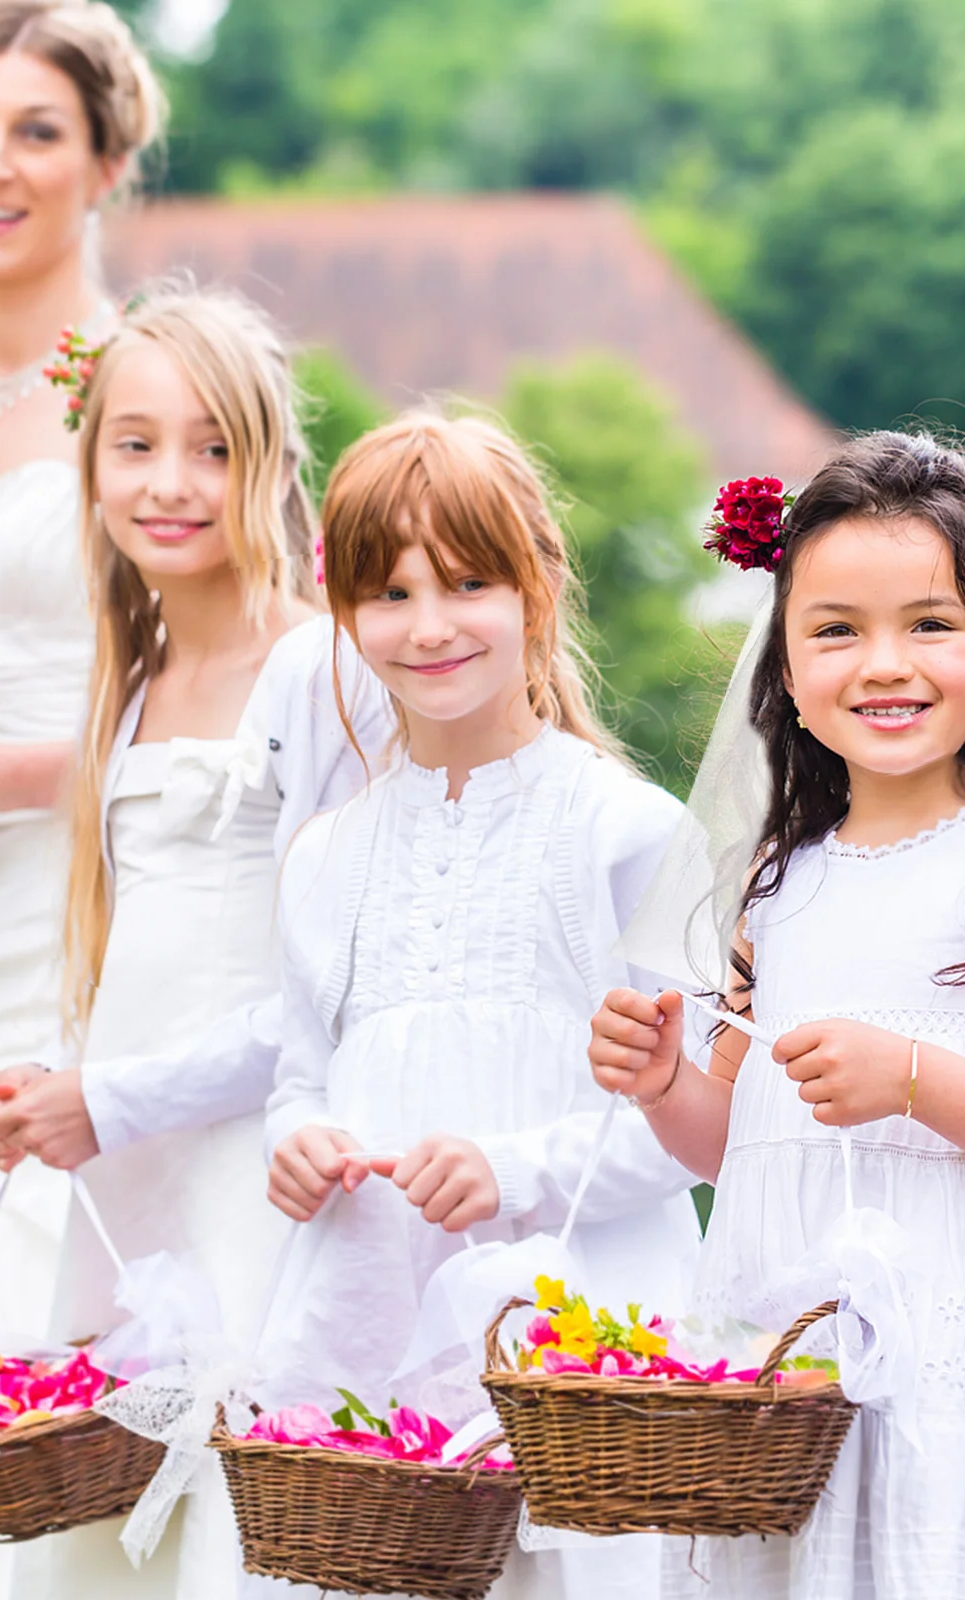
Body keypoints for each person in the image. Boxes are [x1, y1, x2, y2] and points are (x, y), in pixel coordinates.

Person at [591, 433, 965, 1599]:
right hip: (799, 1398)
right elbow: (740, 1145)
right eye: (836, 629)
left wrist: (917, 1078)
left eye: (929, 623)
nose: (883, 663)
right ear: (784, 658)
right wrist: (667, 1080)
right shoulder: (772, 884)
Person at [260, 412, 700, 1599]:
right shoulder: (321, 855)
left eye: (467, 581)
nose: (429, 625)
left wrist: (514, 1171)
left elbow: (691, 1129)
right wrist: (291, 1143)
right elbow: (302, 1072)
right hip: (373, 1329)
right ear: (343, 613)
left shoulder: (626, 831)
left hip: (578, 1342)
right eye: (389, 592)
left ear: (539, 584)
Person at [0, 285, 389, 1599]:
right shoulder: (137, 669)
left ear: (270, 464)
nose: (173, 482)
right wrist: (57, 1083)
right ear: (91, 460)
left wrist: (107, 1098)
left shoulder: (324, 671)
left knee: (238, 1505)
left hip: (247, 1162)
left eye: (215, 447)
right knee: (105, 1527)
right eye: (138, 444)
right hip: (125, 1167)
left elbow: (336, 993)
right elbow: (129, 943)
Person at [0, 0, 161, 1351]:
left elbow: (222, 679)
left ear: (108, 161)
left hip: (73, 890)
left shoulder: (148, 391)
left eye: (34, 132)